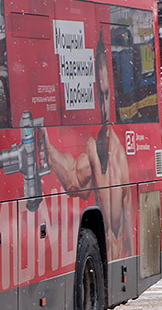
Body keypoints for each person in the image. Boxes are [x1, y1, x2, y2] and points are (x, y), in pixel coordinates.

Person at [43, 31, 135, 259]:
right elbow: (74, 185)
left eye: (106, 95)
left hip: (117, 261)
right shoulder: (93, 151)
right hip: (106, 262)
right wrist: (46, 145)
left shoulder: (120, 159)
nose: (104, 106)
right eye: (99, 96)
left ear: (111, 94)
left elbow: (129, 232)